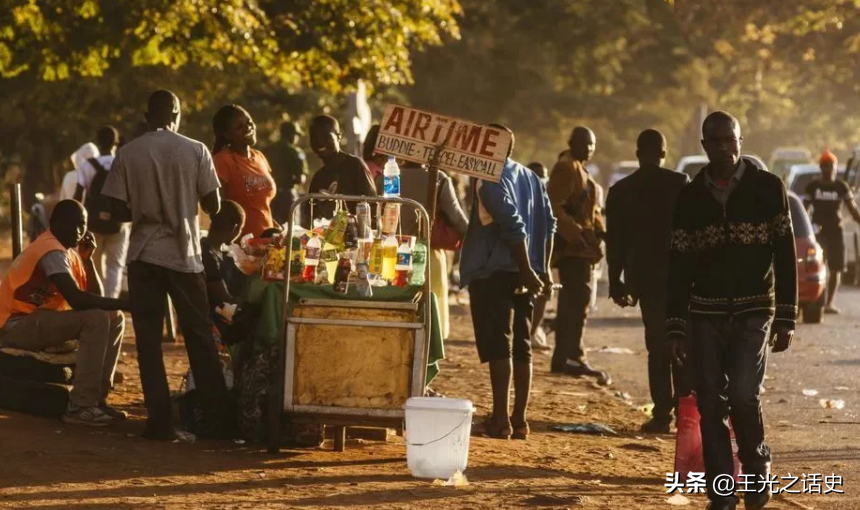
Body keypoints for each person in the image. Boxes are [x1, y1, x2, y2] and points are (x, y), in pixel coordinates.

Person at [667, 111, 796, 510]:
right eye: (716, 141)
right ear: (704, 146)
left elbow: (786, 254)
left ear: (741, 141)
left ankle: (758, 474)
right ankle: (721, 491)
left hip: (754, 311)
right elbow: (678, 265)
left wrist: (788, 316)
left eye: (731, 140)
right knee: (710, 403)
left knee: (743, 394)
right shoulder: (690, 197)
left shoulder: (768, 188)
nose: (724, 148)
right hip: (704, 314)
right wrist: (674, 327)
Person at [102, 89, 230, 441]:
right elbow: (215, 205)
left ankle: (158, 422)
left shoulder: (128, 152)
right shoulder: (196, 149)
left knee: (146, 340)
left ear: (148, 115)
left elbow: (118, 211)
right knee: (200, 338)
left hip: (142, 254)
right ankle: (218, 421)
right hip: (183, 254)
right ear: (177, 114)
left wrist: (147, 206)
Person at [460, 125, 556, 441]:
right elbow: (548, 223)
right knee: (522, 343)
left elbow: (511, 222)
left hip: (495, 272)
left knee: (499, 343)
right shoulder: (531, 177)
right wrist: (542, 269)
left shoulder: (488, 178)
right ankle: (519, 419)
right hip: (523, 273)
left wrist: (529, 268)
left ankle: (501, 420)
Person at [0, 200, 127, 427]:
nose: (79, 231)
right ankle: (80, 406)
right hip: (15, 324)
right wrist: (129, 303)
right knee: (96, 319)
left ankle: (97, 399)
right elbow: (78, 300)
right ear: (55, 224)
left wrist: (88, 261)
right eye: (74, 224)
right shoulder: (51, 249)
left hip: (37, 321)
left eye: (83, 225)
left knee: (114, 317)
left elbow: (94, 296)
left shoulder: (70, 253)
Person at [605, 129, 688, 433]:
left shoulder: (621, 190)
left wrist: (616, 282)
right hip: (680, 279)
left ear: (638, 153)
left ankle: (662, 415)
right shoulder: (680, 184)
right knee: (681, 345)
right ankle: (684, 413)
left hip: (646, 282)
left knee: (657, 347)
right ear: (664, 154)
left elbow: (614, 243)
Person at [375, 161, 468, 340]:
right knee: (430, 316)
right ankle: (427, 360)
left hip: (390, 253)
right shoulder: (439, 178)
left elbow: (375, 215)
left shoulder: (388, 177)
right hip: (427, 256)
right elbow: (457, 218)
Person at [547, 126, 609, 384]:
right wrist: (578, 236)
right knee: (578, 302)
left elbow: (590, 211)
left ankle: (564, 357)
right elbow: (554, 206)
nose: (590, 149)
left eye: (593, 145)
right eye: (586, 144)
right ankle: (573, 355)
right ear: (573, 143)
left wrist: (600, 233)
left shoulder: (579, 169)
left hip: (582, 248)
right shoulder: (566, 167)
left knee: (572, 303)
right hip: (573, 250)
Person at [71, 126, 129, 299]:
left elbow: (78, 196)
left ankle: (97, 301)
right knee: (115, 267)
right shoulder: (123, 163)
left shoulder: (87, 166)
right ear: (116, 143)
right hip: (119, 224)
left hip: (93, 224)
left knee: (94, 265)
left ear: (98, 142)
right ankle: (111, 303)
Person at [804, 150, 860, 314]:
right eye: (825, 166)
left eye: (831, 166)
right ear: (821, 168)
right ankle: (816, 301)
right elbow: (805, 209)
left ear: (835, 167)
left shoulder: (841, 187)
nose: (828, 169)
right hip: (817, 232)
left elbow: (852, 209)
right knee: (817, 267)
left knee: (836, 268)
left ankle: (829, 303)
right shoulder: (813, 186)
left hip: (836, 231)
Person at [212, 105, 277, 238]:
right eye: (239, 127)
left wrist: (276, 228)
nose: (248, 127)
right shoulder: (221, 161)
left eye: (249, 122)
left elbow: (261, 207)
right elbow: (217, 210)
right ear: (227, 134)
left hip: (267, 243)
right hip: (240, 246)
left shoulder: (259, 156)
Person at [305, 115, 376, 223]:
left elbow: (372, 207)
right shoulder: (318, 177)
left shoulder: (355, 165)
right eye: (314, 137)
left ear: (338, 136)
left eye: (325, 136)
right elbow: (310, 218)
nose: (319, 142)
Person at [526, 162, 552, 352]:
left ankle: (531, 332)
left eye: (543, 176)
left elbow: (550, 232)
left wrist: (547, 267)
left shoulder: (545, 200)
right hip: (521, 258)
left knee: (542, 295)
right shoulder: (518, 196)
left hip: (539, 258)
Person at [268, 120, 308, 225]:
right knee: (291, 229)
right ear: (292, 135)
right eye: (296, 135)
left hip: (269, 195)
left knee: (273, 227)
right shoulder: (296, 152)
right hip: (288, 196)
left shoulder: (268, 149)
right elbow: (300, 179)